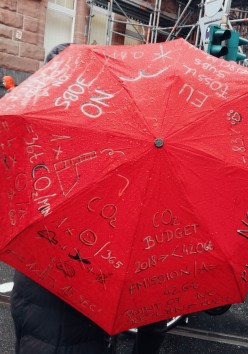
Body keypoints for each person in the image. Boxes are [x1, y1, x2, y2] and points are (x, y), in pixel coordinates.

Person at [10, 42, 168, 354]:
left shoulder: (28, 138)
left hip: (32, 296)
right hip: (79, 316)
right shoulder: (130, 161)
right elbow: (153, 280)